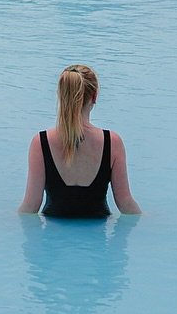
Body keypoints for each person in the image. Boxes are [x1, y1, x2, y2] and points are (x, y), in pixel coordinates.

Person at [18, 63, 141, 218]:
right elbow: (125, 203)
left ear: (61, 96)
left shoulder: (41, 143)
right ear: (94, 96)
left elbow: (30, 206)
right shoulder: (112, 142)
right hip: (97, 235)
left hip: (54, 237)